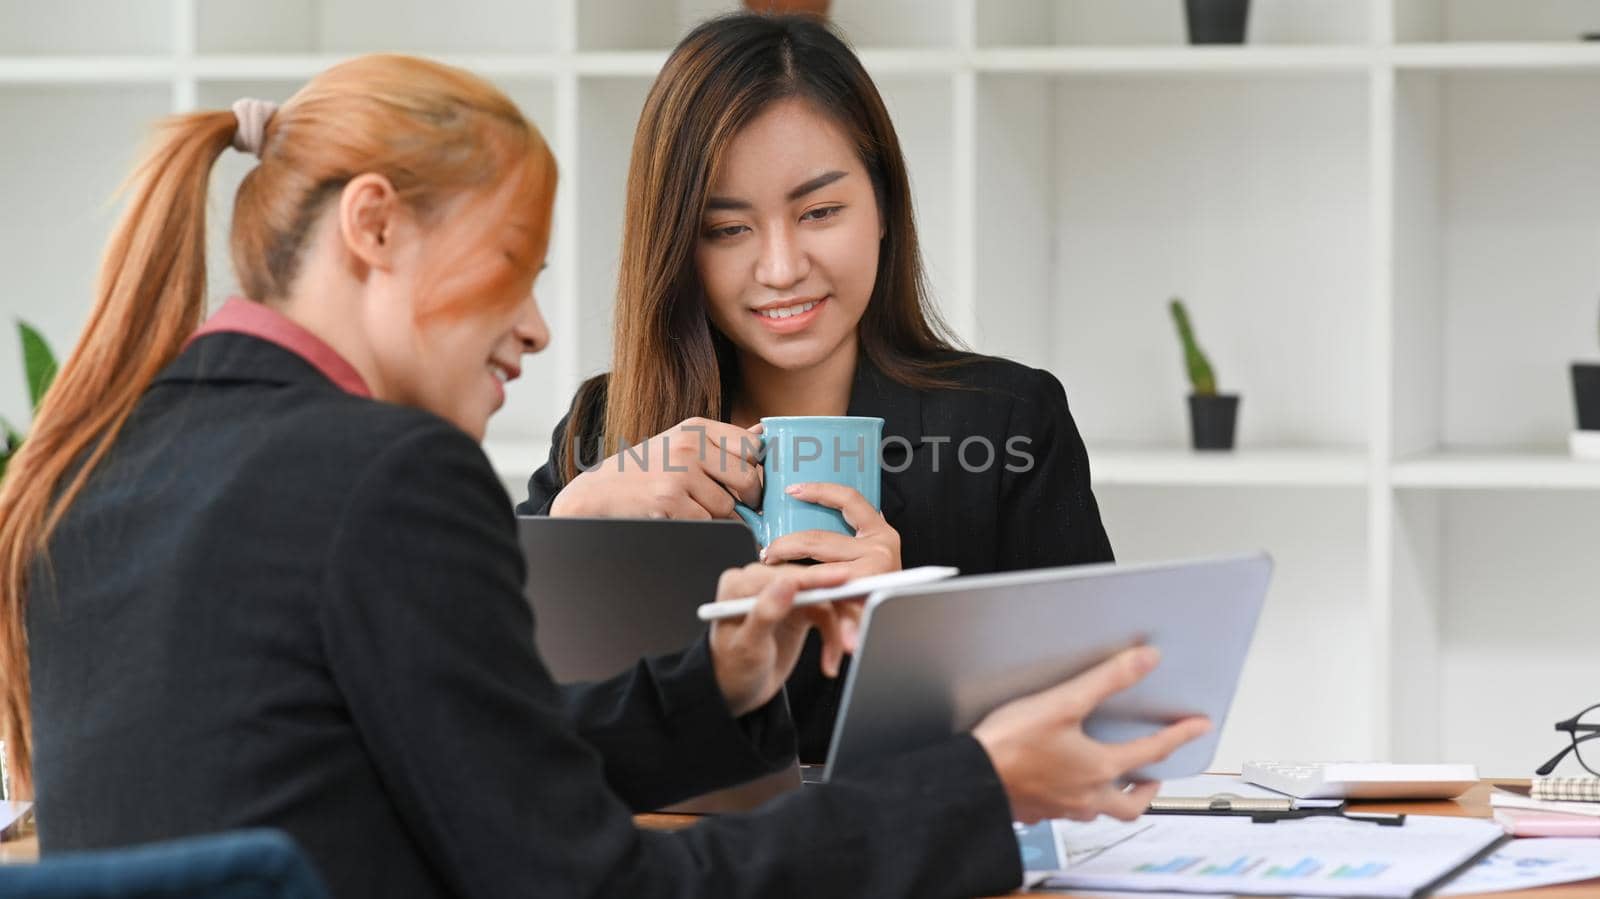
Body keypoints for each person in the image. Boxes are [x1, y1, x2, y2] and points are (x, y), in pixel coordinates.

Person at [0, 52, 1208, 899]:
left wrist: (725, 678)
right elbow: (589, 875)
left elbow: (439, 757)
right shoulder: (390, 474)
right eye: (512, 264)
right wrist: (974, 786)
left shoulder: (99, 449)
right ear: (372, 227)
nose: (533, 322)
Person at [520, 13, 1114, 759]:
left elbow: (1095, 726)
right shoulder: (607, 428)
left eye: (821, 211)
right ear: (677, 248)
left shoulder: (1007, 427)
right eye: (727, 229)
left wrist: (912, 633)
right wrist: (575, 518)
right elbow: (499, 728)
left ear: (885, 209)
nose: (780, 267)